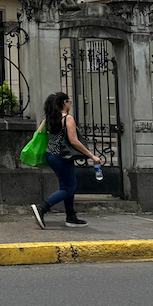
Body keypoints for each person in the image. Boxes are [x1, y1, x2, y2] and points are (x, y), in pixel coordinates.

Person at [31, 91, 101, 229]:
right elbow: (74, 141)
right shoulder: (67, 118)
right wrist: (92, 156)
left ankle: (71, 216)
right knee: (69, 188)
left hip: (51, 156)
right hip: (62, 157)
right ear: (64, 103)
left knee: (68, 185)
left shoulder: (49, 119)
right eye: (69, 102)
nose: (70, 105)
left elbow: (38, 133)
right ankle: (42, 208)